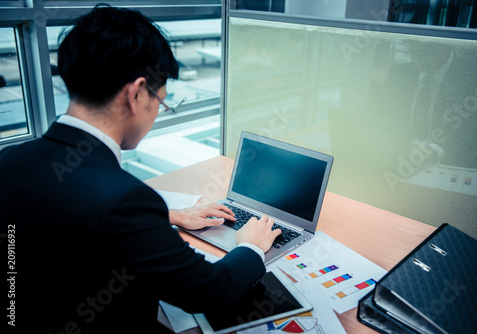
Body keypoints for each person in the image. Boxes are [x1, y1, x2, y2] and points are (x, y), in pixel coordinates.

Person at [0, 6, 281, 333]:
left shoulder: (10, 160)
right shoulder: (126, 201)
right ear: (136, 94)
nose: (156, 114)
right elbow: (212, 292)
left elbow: (70, 217)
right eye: (161, 103)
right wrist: (250, 245)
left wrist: (165, 216)